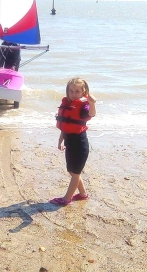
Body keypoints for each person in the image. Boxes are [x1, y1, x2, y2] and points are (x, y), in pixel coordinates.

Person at [50, 78, 97, 206]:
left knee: (75, 173)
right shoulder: (68, 104)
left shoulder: (84, 106)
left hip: (80, 144)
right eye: (71, 91)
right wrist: (60, 140)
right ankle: (82, 194)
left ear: (83, 92)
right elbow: (66, 126)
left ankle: (66, 199)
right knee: (72, 171)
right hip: (69, 142)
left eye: (77, 91)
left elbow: (91, 114)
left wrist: (92, 103)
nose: (73, 93)